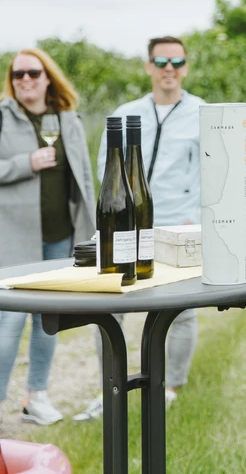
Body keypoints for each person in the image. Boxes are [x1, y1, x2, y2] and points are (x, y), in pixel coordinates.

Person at [75, 36, 205, 422]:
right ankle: (110, 390)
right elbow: (106, 171)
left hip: (178, 225)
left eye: (177, 61)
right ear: (149, 66)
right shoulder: (126, 111)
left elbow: (210, 174)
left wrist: (196, 221)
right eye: (161, 60)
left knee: (180, 311)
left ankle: (169, 390)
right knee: (110, 310)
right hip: (125, 230)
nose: (170, 68)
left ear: (185, 67)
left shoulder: (202, 113)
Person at [0, 49, 96, 425]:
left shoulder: (67, 119)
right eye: (18, 73)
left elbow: (84, 177)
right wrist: (27, 163)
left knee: (48, 320)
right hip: (13, 238)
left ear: (47, 76)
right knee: (8, 322)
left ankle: (35, 398)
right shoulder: (2, 117)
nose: (26, 79)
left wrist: (91, 229)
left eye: (33, 73)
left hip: (60, 237)